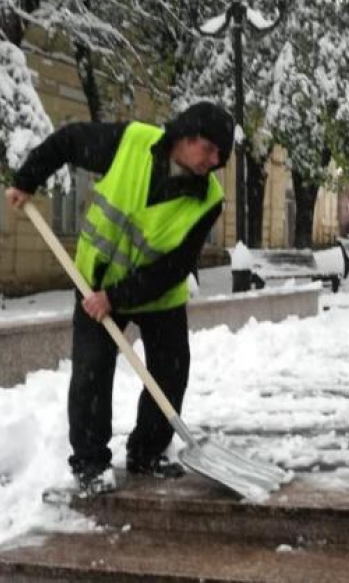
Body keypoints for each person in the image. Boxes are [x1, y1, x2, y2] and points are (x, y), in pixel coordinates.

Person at [4, 101, 234, 494]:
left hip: (156, 294)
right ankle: (90, 465)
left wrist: (118, 297)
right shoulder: (131, 143)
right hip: (95, 281)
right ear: (188, 135)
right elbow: (69, 141)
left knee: (171, 370)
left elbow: (174, 267)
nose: (213, 163)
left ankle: (147, 452)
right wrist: (28, 179)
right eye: (210, 150)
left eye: (220, 156)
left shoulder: (208, 200)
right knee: (92, 373)